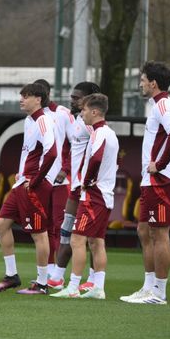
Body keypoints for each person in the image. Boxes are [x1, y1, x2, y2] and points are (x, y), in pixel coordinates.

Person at [121, 61, 170, 305]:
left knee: (159, 233)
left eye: (142, 79)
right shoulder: (156, 105)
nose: (140, 83)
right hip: (152, 181)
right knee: (144, 230)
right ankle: (148, 287)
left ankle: (159, 292)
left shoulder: (164, 105)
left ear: (153, 83)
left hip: (162, 180)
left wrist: (159, 164)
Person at [0, 83, 57, 294]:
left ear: (38, 99)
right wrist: (21, 174)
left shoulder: (44, 120)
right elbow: (30, 153)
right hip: (22, 184)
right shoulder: (29, 121)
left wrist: (35, 180)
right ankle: (12, 276)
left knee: (39, 234)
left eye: (26, 96)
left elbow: (51, 152)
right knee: (0, 225)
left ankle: (42, 284)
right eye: (21, 96)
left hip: (35, 186)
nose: (21, 99)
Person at [52, 93, 116, 300]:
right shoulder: (110, 133)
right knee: (97, 242)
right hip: (105, 195)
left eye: (85, 110)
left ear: (95, 112)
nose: (82, 113)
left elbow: (96, 158)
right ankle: (98, 287)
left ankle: (72, 287)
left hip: (93, 195)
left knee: (77, 240)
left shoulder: (99, 134)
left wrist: (86, 182)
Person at [51, 81, 101, 290]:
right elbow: (69, 149)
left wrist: (90, 180)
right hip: (75, 185)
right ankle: (57, 276)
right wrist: (65, 169)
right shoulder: (77, 120)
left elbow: (100, 154)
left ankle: (93, 280)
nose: (72, 100)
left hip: (88, 186)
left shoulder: (95, 126)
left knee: (90, 235)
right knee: (67, 228)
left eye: (76, 97)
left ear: (89, 99)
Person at [34, 79, 75, 288]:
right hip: (40, 180)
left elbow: (74, 142)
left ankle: (59, 274)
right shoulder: (34, 118)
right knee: (43, 224)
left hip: (59, 180)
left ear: (46, 94)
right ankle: (48, 272)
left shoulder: (62, 113)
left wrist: (65, 169)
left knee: (60, 226)